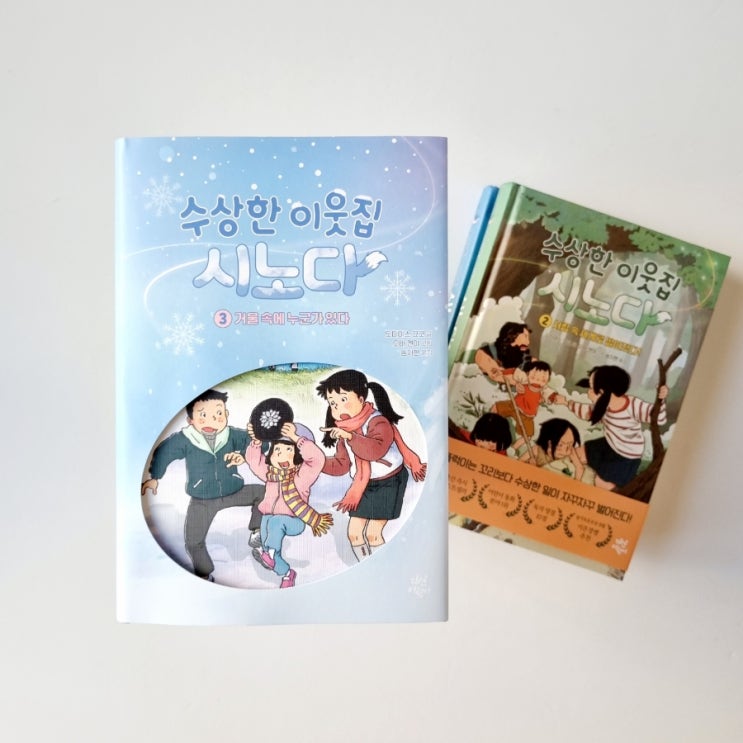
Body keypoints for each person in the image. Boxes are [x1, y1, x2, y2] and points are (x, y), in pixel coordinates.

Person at [141, 390, 264, 581]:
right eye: (203, 415)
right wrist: (155, 476)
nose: (211, 421)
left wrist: (244, 455)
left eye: (218, 414)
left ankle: (257, 532)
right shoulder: (186, 439)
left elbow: (260, 445)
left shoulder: (231, 435)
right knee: (192, 542)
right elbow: (164, 452)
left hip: (233, 489)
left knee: (265, 492)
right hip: (203, 499)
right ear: (190, 420)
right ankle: (204, 572)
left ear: (226, 415)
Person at [316, 369, 426, 561]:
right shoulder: (344, 431)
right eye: (333, 403)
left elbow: (375, 450)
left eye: (343, 399)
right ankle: (366, 564)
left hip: (390, 482)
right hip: (365, 485)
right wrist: (316, 461)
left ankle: (385, 566)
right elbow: (342, 464)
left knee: (373, 534)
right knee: (354, 534)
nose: (338, 407)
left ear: (361, 399)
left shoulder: (378, 421)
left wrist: (351, 437)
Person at [552, 365, 668, 490]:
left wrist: (661, 399)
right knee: (577, 453)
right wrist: (566, 402)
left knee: (600, 482)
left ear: (604, 391)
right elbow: (585, 411)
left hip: (626, 456)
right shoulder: (602, 407)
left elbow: (659, 418)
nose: (588, 392)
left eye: (592, 388)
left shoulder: (633, 405)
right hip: (610, 443)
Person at [246, 420, 331, 589]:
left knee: (275, 526)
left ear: (299, 455)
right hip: (268, 519)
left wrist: (296, 438)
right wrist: (256, 442)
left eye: (288, 450)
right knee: (270, 548)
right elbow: (255, 462)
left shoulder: (301, 477)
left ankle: (269, 553)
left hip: (294, 520)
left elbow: (317, 459)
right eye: (277, 450)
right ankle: (286, 574)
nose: (281, 456)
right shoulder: (271, 474)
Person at [492, 360, 556, 450]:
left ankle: (512, 449)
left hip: (527, 415)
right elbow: (514, 372)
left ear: (547, 381)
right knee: (496, 407)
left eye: (543, 380)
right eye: (533, 377)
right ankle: (490, 427)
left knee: (527, 436)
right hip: (514, 405)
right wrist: (502, 372)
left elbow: (551, 395)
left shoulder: (544, 389)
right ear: (528, 374)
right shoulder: (524, 379)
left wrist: (551, 398)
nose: (537, 382)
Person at [519, 417, 595, 484]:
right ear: (549, 442)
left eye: (569, 445)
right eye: (560, 445)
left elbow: (579, 471)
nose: (564, 450)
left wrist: (578, 465)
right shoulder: (537, 450)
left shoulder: (570, 455)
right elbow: (517, 464)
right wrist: (530, 468)